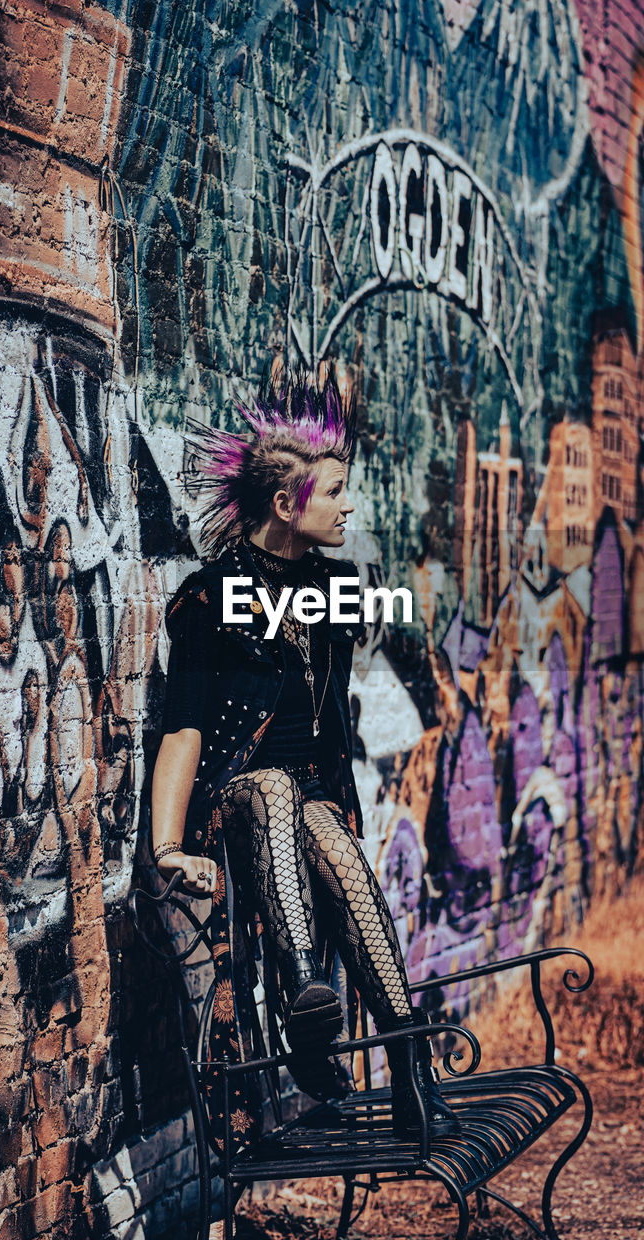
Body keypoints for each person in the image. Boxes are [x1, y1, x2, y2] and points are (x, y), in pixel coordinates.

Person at [151, 365, 459, 1139]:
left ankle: (410, 1069)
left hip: (311, 816)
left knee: (331, 839)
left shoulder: (335, 590)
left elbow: (363, 705)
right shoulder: (207, 599)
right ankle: (301, 999)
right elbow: (184, 729)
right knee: (272, 792)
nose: (349, 504)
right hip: (234, 813)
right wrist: (163, 847)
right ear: (290, 504)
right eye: (335, 492)